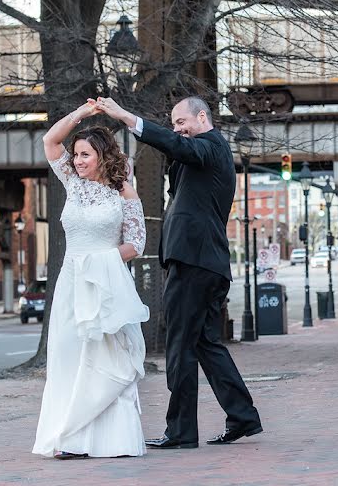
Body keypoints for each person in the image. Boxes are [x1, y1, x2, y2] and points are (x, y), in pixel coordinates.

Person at [94, 95, 263, 449]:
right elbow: (178, 153)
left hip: (195, 261)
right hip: (203, 261)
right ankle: (243, 416)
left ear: (202, 117)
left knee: (179, 346)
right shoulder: (201, 154)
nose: (177, 129)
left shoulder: (211, 147)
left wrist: (127, 117)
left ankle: (182, 431)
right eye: (173, 124)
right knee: (204, 343)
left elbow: (175, 145)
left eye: (181, 121)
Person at [32, 100, 150, 459]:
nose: (78, 161)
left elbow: (137, 244)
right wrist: (82, 115)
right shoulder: (71, 182)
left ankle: (107, 439)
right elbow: (50, 142)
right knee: (68, 357)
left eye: (85, 154)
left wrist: (101, 262)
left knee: (103, 358)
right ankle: (69, 436)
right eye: (77, 154)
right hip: (71, 284)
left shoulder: (123, 193)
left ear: (102, 156)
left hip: (106, 285)